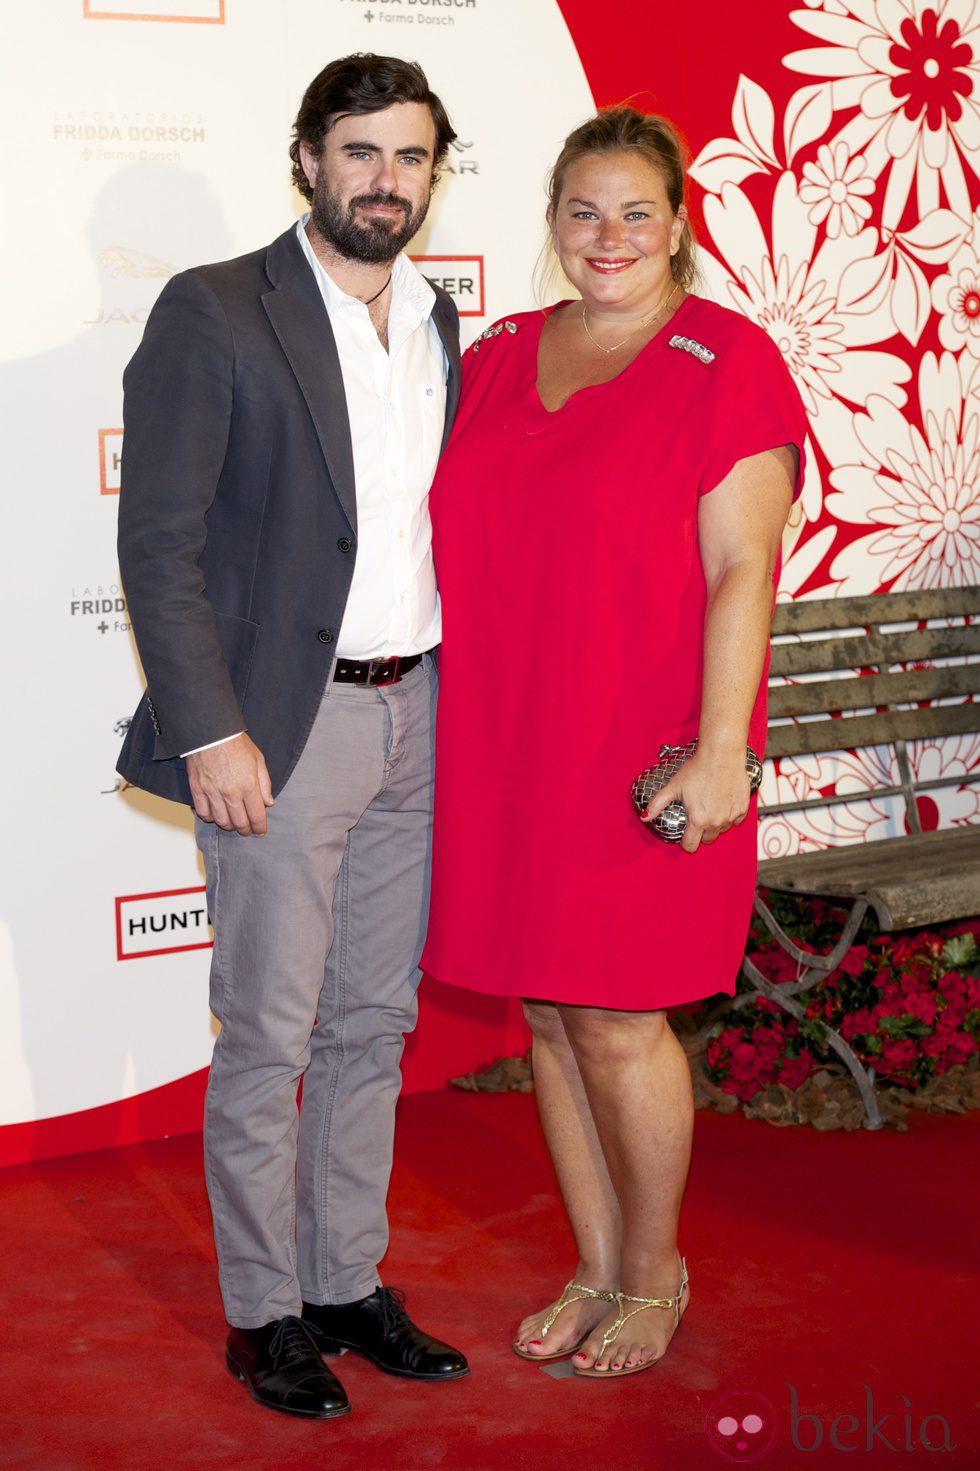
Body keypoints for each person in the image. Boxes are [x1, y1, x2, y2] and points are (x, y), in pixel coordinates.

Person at [421, 107, 806, 1379]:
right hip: (505, 741)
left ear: (679, 223)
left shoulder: (725, 358)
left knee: (615, 1017)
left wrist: (718, 752)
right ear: (549, 222)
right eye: (582, 210)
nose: (607, 236)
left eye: (635, 211)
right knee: (545, 1013)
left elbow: (745, 565)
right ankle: (591, 1266)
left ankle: (653, 1275)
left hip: (643, 749)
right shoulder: (499, 354)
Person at [117, 53, 469, 1419]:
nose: (387, 181)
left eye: (414, 158)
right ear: (309, 159)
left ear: (436, 177)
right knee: (270, 1028)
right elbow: (159, 544)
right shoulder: (215, 312)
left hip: (420, 708)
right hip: (284, 720)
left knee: (374, 1021)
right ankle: (264, 1309)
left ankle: (344, 1279)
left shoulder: (440, 320)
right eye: (362, 152)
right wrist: (213, 727)